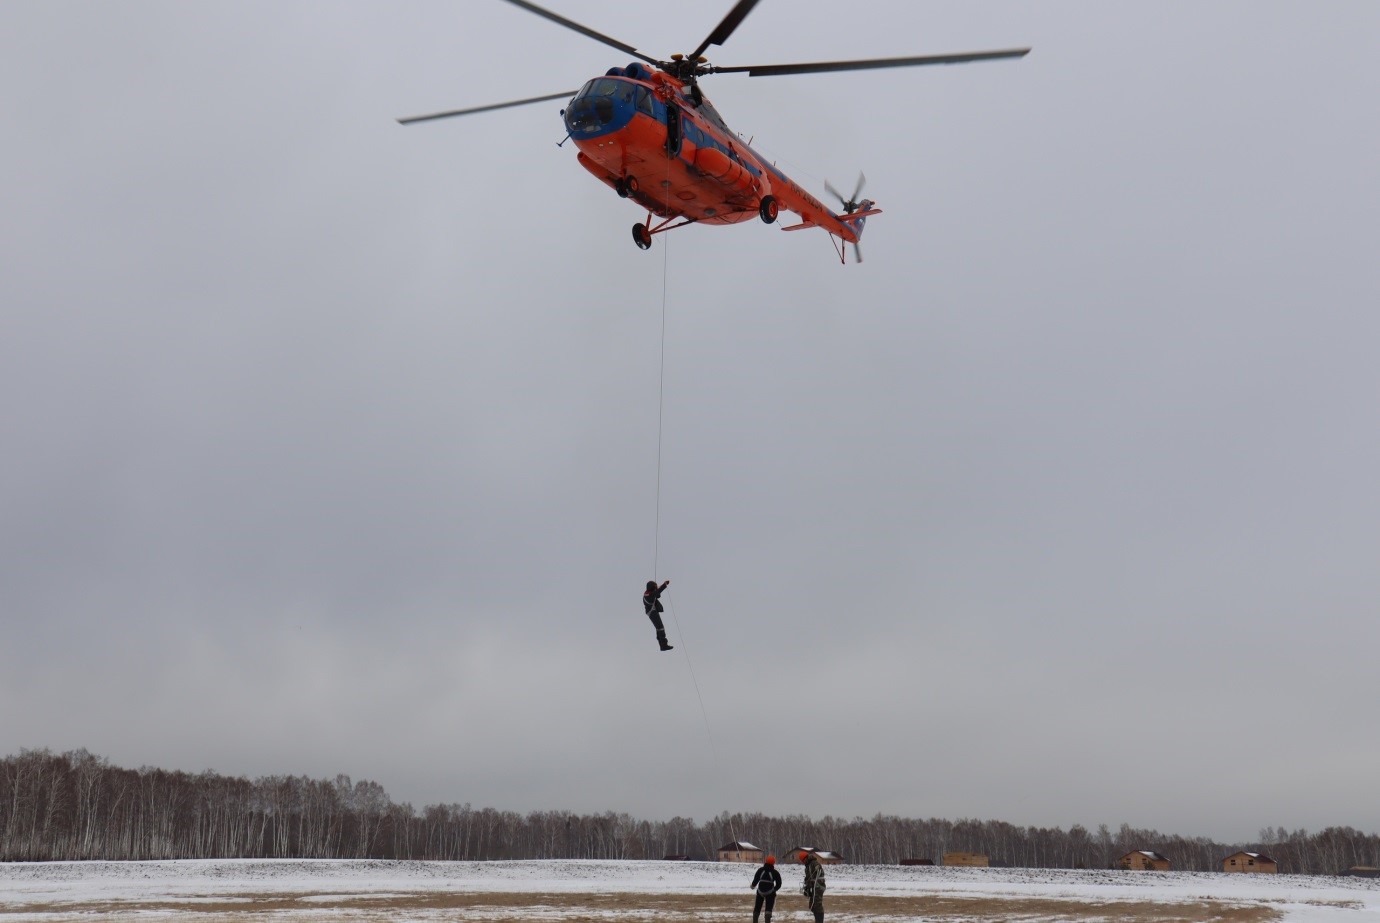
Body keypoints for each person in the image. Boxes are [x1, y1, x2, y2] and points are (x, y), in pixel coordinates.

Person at [749, 854, 781, 923]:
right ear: (773, 863)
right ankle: (767, 920)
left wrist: (752, 886)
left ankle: (755, 921)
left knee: (757, 907)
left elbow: (756, 880)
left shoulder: (760, 870)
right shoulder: (775, 872)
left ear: (765, 861)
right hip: (770, 892)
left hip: (760, 891)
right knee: (768, 908)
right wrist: (774, 890)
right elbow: (779, 884)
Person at [643, 579, 673, 651]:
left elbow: (656, 592)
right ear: (652, 588)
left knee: (659, 628)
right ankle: (663, 645)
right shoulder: (650, 595)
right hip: (652, 612)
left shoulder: (648, 593)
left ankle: (662, 645)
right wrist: (665, 584)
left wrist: (658, 587)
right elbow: (658, 591)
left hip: (652, 611)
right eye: (655, 587)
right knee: (660, 627)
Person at [800, 851, 825, 923]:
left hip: (818, 886)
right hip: (813, 887)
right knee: (812, 906)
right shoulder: (807, 867)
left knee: (817, 905)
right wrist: (807, 887)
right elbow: (808, 878)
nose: (803, 862)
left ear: (805, 858)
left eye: (803, 861)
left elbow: (819, 870)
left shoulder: (814, 863)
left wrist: (818, 868)